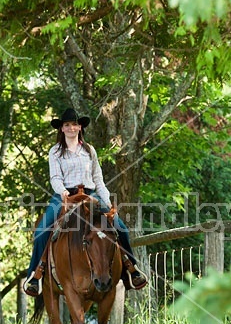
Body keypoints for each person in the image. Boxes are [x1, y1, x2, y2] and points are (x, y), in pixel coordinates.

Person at [23, 107, 148, 296]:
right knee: (42, 230)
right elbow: (55, 178)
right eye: (67, 125)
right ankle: (35, 275)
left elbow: (98, 179)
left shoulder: (89, 150)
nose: (71, 128)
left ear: (80, 127)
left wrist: (108, 202)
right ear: (62, 129)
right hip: (64, 195)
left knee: (120, 227)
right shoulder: (55, 151)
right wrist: (63, 192)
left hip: (90, 195)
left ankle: (132, 269)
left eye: (74, 124)